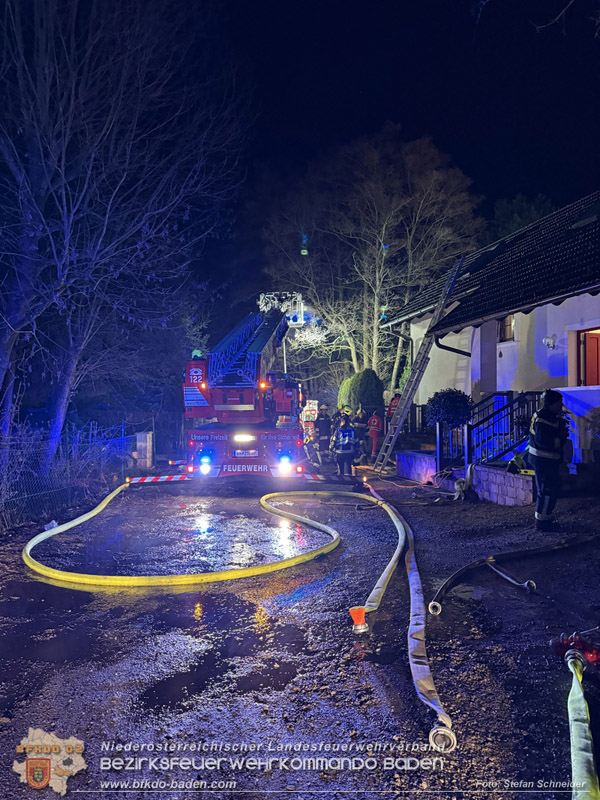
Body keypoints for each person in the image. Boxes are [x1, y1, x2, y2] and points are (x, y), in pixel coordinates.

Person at [528, 389, 569, 532]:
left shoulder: (546, 416)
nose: (561, 405)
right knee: (546, 490)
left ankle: (546, 517)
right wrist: (561, 438)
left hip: (546, 459)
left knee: (551, 488)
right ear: (551, 403)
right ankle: (542, 522)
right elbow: (544, 441)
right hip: (543, 460)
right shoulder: (544, 418)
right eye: (559, 402)